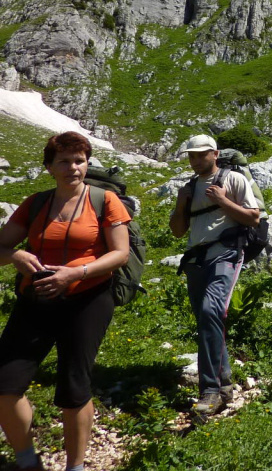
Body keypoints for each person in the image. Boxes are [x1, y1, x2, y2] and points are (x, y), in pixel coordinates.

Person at [0, 132, 131, 471]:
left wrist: (75, 274)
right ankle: (28, 461)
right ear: (49, 167)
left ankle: (75, 466)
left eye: (80, 160)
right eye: (64, 161)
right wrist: (16, 255)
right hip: (36, 300)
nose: (73, 167)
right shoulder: (35, 203)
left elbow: (120, 254)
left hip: (88, 300)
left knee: (73, 388)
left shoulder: (105, 201)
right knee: (5, 384)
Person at [170, 134, 261, 417]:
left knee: (211, 310)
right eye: (192, 155)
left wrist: (223, 201)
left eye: (201, 154)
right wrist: (181, 203)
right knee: (206, 318)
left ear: (215, 154)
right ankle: (224, 384)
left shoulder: (233, 179)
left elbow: (254, 217)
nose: (196, 160)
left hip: (226, 253)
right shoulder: (188, 187)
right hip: (196, 258)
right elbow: (177, 230)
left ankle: (209, 391)